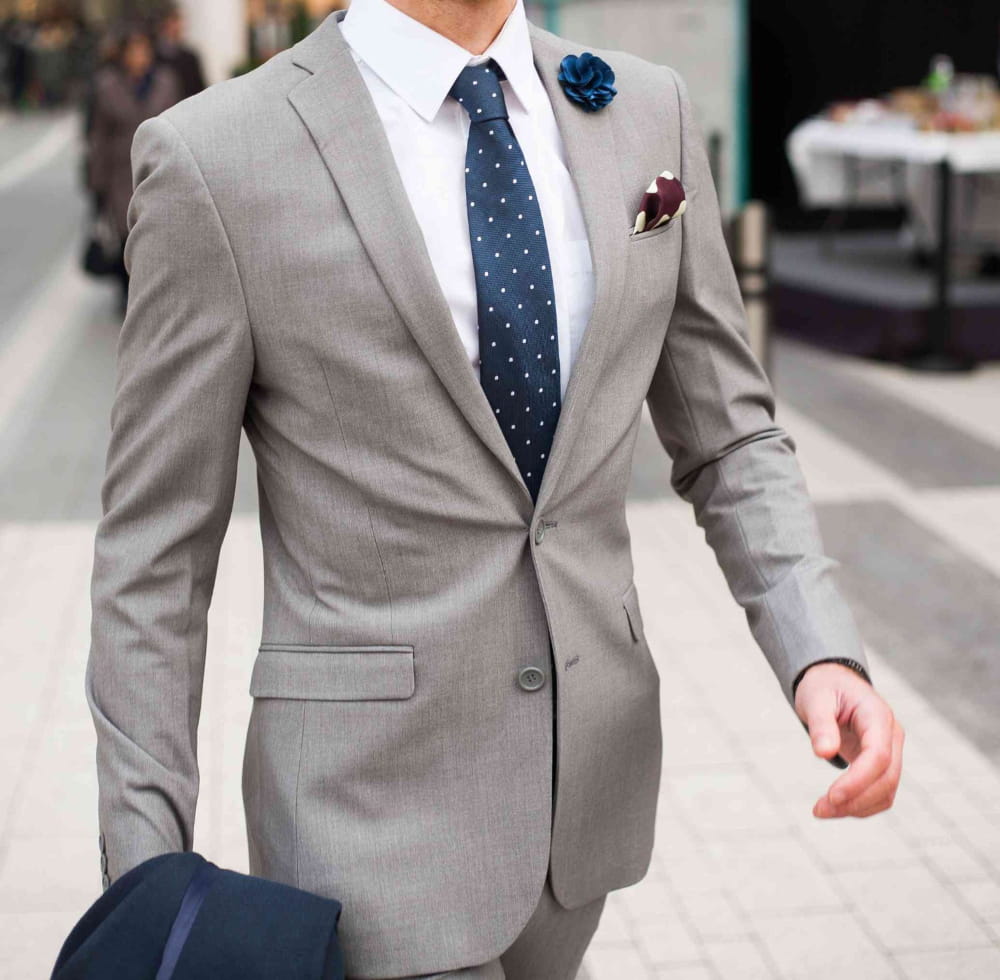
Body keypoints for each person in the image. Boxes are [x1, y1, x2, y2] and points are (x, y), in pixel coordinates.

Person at [85, 1, 906, 978]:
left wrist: (817, 649)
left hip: (585, 802)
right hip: (362, 828)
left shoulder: (643, 111)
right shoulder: (216, 155)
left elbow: (729, 431)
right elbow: (153, 557)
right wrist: (149, 888)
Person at [85, 25, 179, 311]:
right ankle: (128, 293)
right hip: (120, 171)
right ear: (124, 54)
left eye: (143, 50)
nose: (139, 56)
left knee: (156, 233)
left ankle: (154, 292)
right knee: (126, 234)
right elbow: (99, 136)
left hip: (158, 168)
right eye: (133, 51)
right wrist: (96, 182)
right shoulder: (108, 86)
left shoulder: (166, 82)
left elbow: (179, 123)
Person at [155, 5, 205, 101]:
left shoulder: (190, 57)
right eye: (173, 21)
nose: (177, 27)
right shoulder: (154, 57)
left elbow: (199, 90)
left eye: (178, 21)